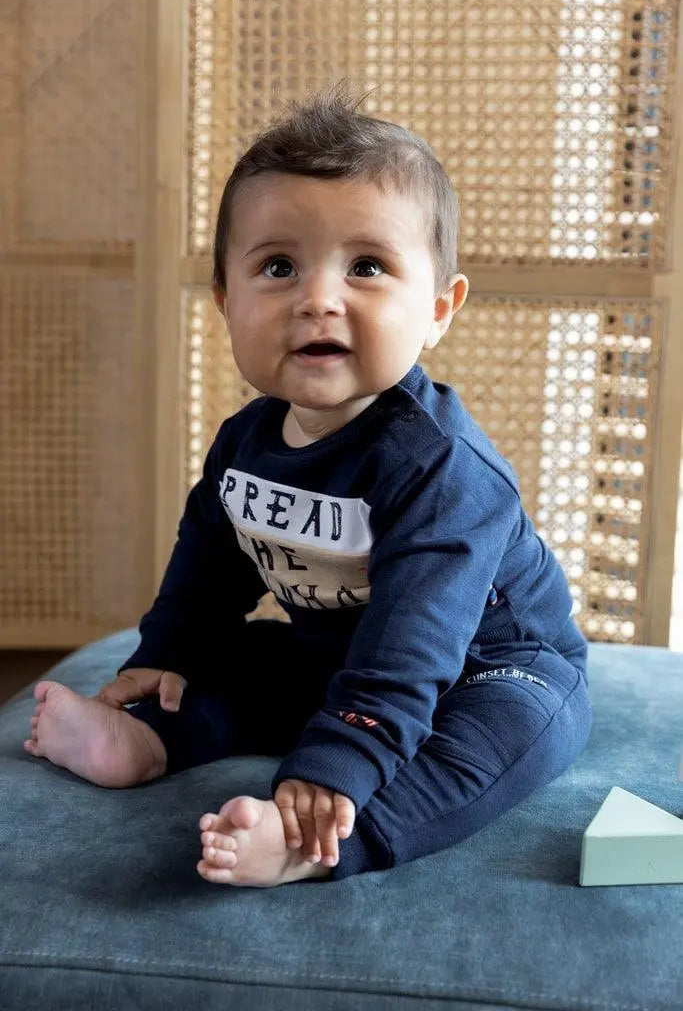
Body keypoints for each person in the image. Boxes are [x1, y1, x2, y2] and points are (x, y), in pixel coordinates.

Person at [24, 84, 592, 888]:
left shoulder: (441, 469)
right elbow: (209, 559)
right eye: (278, 267)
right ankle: (145, 742)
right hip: (341, 653)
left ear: (437, 308)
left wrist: (335, 763)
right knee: (245, 667)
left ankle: (319, 843)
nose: (317, 299)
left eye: (366, 267)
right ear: (225, 302)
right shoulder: (246, 442)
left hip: (487, 663)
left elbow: (415, 640)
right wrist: (168, 652)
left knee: (504, 735)